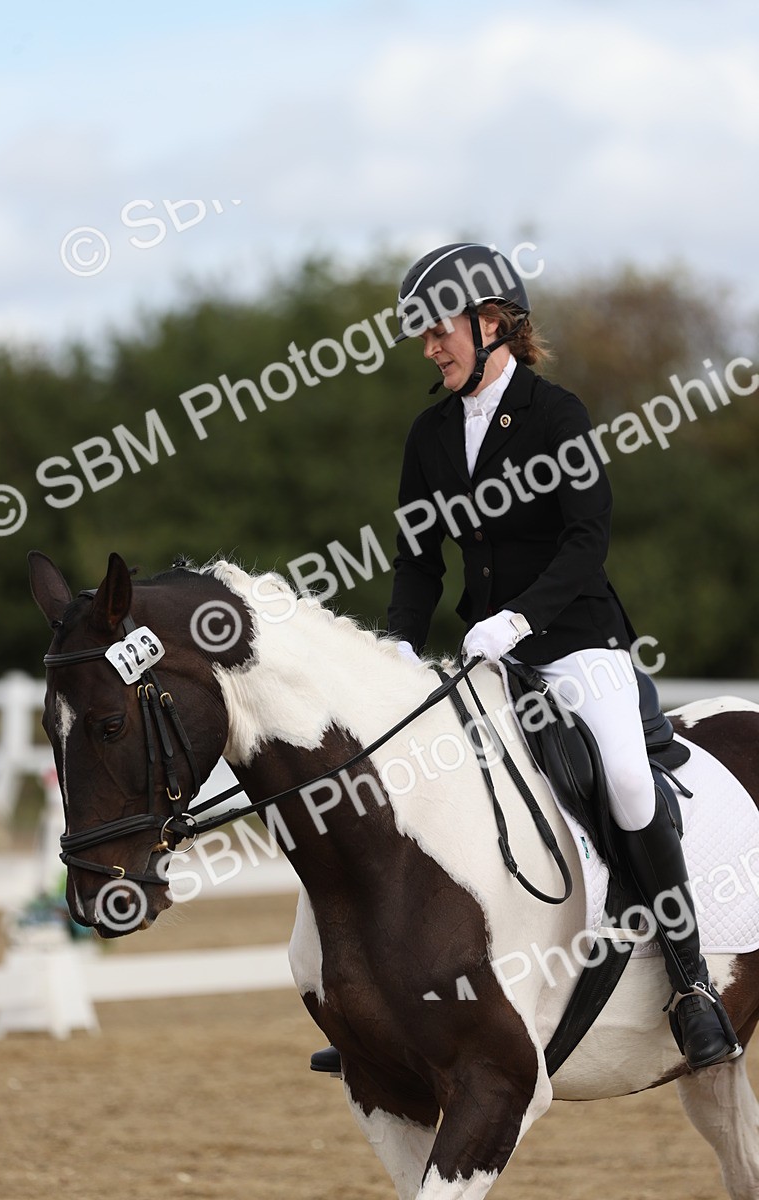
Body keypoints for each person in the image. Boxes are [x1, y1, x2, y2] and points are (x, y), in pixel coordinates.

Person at [311, 242, 740, 1076]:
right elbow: (418, 559)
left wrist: (517, 618)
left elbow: (587, 542)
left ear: (493, 321)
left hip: (577, 639)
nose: (429, 348)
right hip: (485, 653)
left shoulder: (556, 414)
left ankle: (690, 985)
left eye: (439, 331)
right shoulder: (430, 434)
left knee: (621, 774)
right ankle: (385, 1004)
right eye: (424, 336)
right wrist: (397, 640)